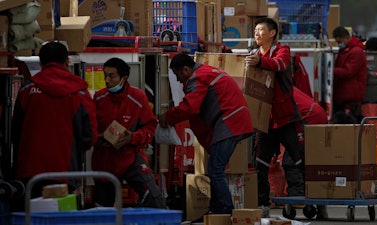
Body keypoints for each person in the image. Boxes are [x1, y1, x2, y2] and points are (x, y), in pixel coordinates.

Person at [158, 53, 253, 218]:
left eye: (178, 75)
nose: (179, 80)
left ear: (186, 69)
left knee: (215, 169)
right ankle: (216, 210)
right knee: (215, 168)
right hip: (233, 120)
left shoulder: (197, 78)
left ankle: (224, 211)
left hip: (229, 121)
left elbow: (190, 108)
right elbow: (198, 117)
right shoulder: (207, 72)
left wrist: (168, 117)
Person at [10, 41, 98, 211]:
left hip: (29, 172)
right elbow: (89, 135)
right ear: (67, 62)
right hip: (65, 173)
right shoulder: (79, 92)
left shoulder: (27, 89)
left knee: (32, 219)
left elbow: (15, 131)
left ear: (41, 63)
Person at [244, 17, 304, 218]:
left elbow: (280, 64)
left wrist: (260, 61)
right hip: (264, 121)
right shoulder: (252, 56)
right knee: (260, 162)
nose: (257, 33)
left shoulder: (282, 51)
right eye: (255, 30)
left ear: (272, 33)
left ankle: (297, 198)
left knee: (294, 158)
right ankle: (262, 202)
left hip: (285, 117)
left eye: (261, 30)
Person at [91, 57, 166, 209]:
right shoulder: (98, 98)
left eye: (111, 76)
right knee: (101, 209)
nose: (107, 80)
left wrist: (132, 138)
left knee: (154, 198)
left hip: (131, 156)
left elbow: (150, 126)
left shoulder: (138, 98)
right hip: (104, 159)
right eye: (105, 75)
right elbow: (90, 127)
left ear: (124, 78)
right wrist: (98, 138)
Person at [282, 87, 329, 220]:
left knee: (292, 159)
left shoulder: (274, 93)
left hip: (308, 118)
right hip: (316, 115)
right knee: (311, 160)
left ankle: (297, 198)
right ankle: (320, 204)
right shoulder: (285, 86)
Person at [331, 26, 367, 124]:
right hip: (345, 95)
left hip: (350, 96)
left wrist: (331, 70)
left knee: (350, 124)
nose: (339, 44)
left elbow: (348, 72)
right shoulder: (345, 51)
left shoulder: (356, 52)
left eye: (340, 42)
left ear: (347, 38)